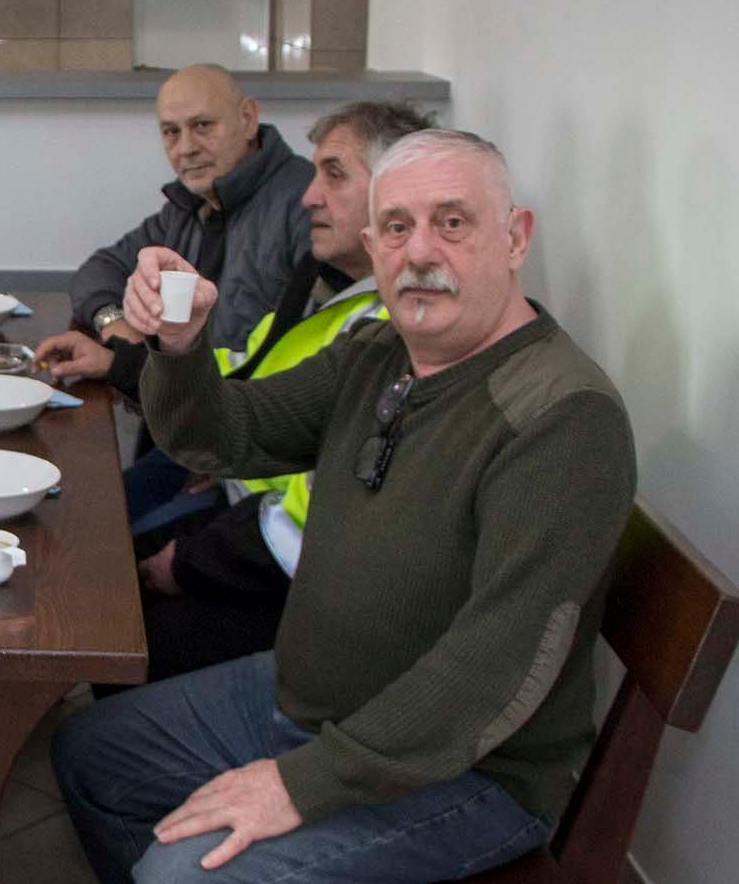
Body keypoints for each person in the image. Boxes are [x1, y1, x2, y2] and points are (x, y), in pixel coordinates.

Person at [52, 129, 636, 884]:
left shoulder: (562, 417)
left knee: (182, 873)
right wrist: (180, 343)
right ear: (372, 246)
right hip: (311, 704)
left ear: (515, 237)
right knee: (93, 754)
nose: (419, 252)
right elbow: (225, 436)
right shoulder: (380, 350)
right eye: (396, 227)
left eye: (452, 222)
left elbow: (496, 664)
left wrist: (304, 783)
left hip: (464, 770)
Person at [121, 101, 432, 681]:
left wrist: (188, 562)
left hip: (286, 568)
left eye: (334, 175)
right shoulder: (325, 282)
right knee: (105, 556)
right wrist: (151, 362)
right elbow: (249, 374)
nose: (309, 197)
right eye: (171, 130)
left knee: (123, 612)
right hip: (233, 488)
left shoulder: (397, 329)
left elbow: (313, 515)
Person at [60, 63, 314, 529]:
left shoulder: (305, 206)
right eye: (171, 132)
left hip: (250, 470)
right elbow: (98, 269)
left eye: (202, 126)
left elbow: (305, 369)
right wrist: (117, 326)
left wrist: (122, 363)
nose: (186, 148)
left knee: (94, 534)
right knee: (76, 515)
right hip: (189, 436)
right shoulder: (188, 207)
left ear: (248, 118)